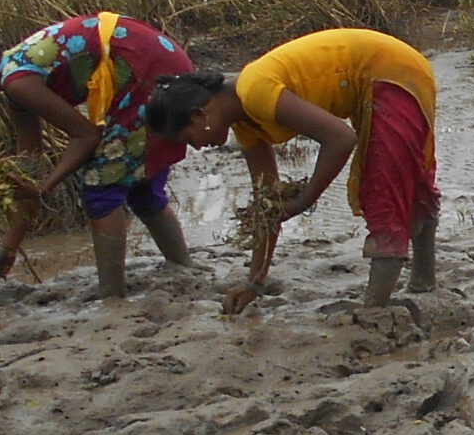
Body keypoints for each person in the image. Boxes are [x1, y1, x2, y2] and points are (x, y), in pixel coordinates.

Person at [145, 27, 440, 314]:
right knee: (409, 181)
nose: (196, 148)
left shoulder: (254, 91)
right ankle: (423, 283)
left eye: (188, 139)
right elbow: (268, 204)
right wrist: (254, 283)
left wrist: (303, 200)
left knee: (382, 189)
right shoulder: (246, 123)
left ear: (199, 115)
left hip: (388, 70)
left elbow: (340, 138)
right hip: (383, 72)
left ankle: (375, 309)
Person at [0, 15, 198, 298]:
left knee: (101, 187)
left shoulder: (18, 83)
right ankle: (185, 268)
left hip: (146, 66)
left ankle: (112, 296)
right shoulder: (16, 85)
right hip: (155, 60)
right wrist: (9, 248)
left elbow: (87, 136)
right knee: (140, 188)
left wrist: (46, 186)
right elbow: (30, 169)